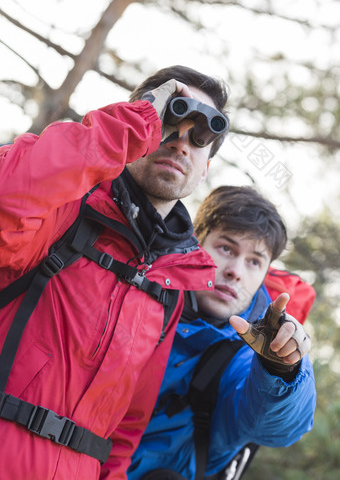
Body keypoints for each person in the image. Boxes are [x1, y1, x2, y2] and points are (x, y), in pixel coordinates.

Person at [0, 66, 229, 480]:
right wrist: (132, 122)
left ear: (205, 168)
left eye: (200, 137)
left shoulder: (170, 284)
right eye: (170, 122)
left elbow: (122, 435)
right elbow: (8, 197)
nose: (180, 143)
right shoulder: (62, 210)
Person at [127, 186, 316, 480]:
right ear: (196, 243)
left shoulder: (250, 351)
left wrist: (282, 368)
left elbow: (277, 429)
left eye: (254, 261)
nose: (235, 271)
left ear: (265, 273)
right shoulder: (133, 294)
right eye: (226, 248)